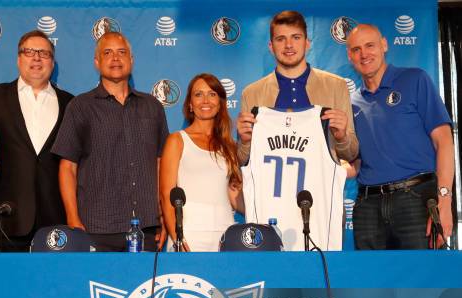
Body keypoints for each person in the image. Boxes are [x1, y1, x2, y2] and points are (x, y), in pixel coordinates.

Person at [235, 10, 358, 251]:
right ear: (271, 46)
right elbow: (243, 161)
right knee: (273, 281)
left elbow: (351, 152)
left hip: (319, 205)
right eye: (281, 39)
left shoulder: (335, 86)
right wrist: (245, 141)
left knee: (322, 281)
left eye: (296, 37)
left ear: (308, 43)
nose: (288, 45)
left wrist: (342, 135)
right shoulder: (253, 93)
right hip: (271, 206)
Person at [52, 32, 169, 251]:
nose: (115, 58)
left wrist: (164, 214)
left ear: (132, 60)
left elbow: (161, 164)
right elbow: (67, 167)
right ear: (97, 62)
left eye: (121, 52)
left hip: (146, 225)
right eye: (108, 53)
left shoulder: (152, 106)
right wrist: (72, 219)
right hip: (95, 228)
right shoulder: (80, 107)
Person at [346, 24, 454, 249]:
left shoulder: (415, 80)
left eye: (370, 45)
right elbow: (354, 164)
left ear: (384, 45)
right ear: (350, 55)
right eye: (356, 49)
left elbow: (443, 141)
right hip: (368, 207)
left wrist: (445, 200)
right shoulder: (351, 103)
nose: (364, 54)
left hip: (417, 200)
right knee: (372, 282)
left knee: (423, 280)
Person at [0, 30, 74, 251]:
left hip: (56, 222)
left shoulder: (72, 104)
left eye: (44, 53)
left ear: (52, 62)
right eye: (29, 52)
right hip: (4, 220)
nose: (36, 58)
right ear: (18, 59)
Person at [159, 73, 242, 251]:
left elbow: (234, 196)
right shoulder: (177, 140)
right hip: (189, 235)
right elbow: (166, 196)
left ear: (220, 103)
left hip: (225, 236)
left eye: (212, 94)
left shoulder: (229, 146)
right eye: (198, 94)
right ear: (190, 104)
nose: (206, 100)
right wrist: (179, 240)